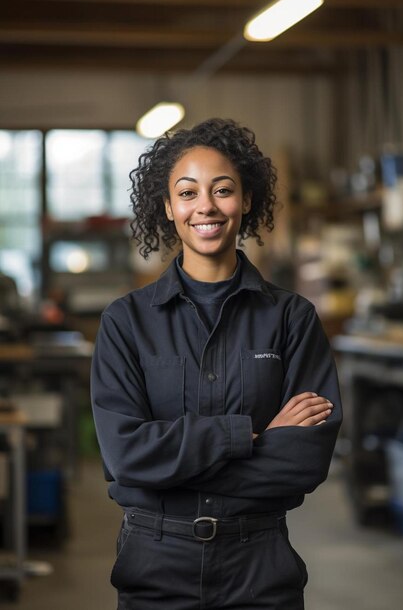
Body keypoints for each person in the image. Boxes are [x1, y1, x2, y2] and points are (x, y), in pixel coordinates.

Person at [91, 118, 342, 610]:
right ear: (168, 207)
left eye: (222, 189)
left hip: (260, 569)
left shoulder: (291, 318)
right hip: (155, 567)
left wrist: (168, 470)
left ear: (246, 200)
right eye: (187, 192)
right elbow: (125, 456)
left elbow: (304, 461)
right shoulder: (126, 322)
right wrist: (248, 436)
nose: (205, 205)